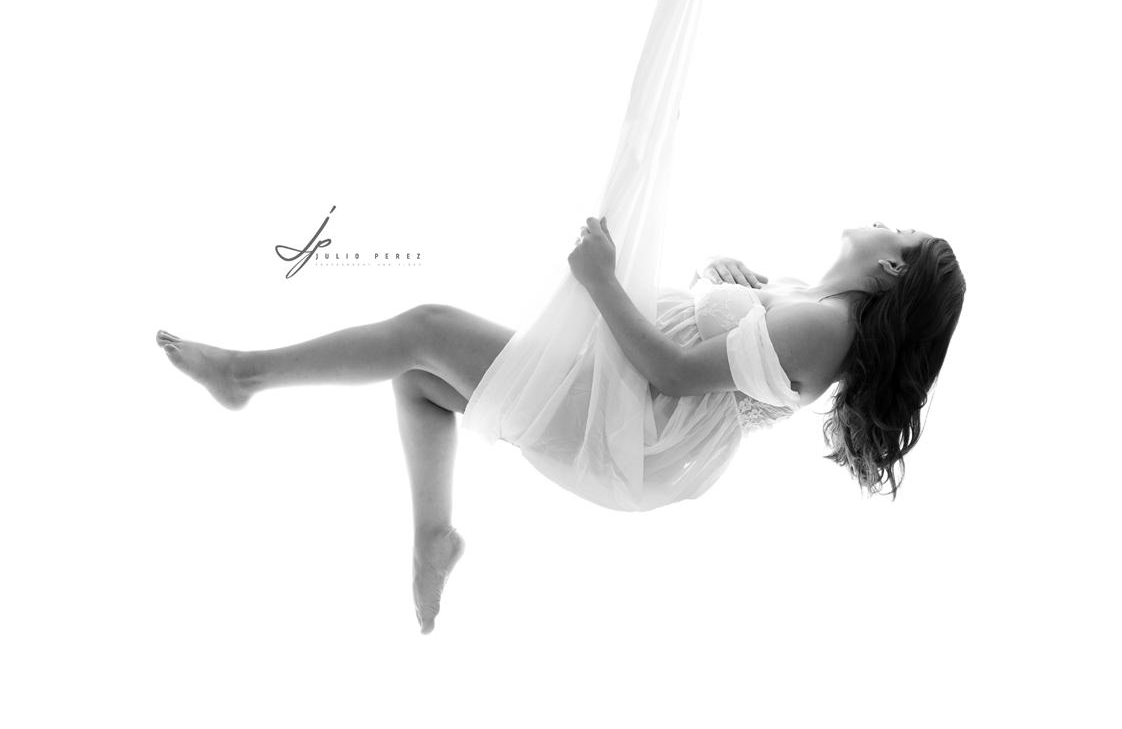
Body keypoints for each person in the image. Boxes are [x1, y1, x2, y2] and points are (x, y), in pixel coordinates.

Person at [155, 217, 965, 633]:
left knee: (425, 327)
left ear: (893, 266)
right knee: (419, 379)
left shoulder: (826, 328)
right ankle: (433, 538)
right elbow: (728, 344)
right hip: (627, 404)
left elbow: (675, 372)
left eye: (900, 230)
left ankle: (243, 375)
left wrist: (600, 278)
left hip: (639, 418)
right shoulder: (811, 303)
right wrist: (725, 281)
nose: (883, 219)